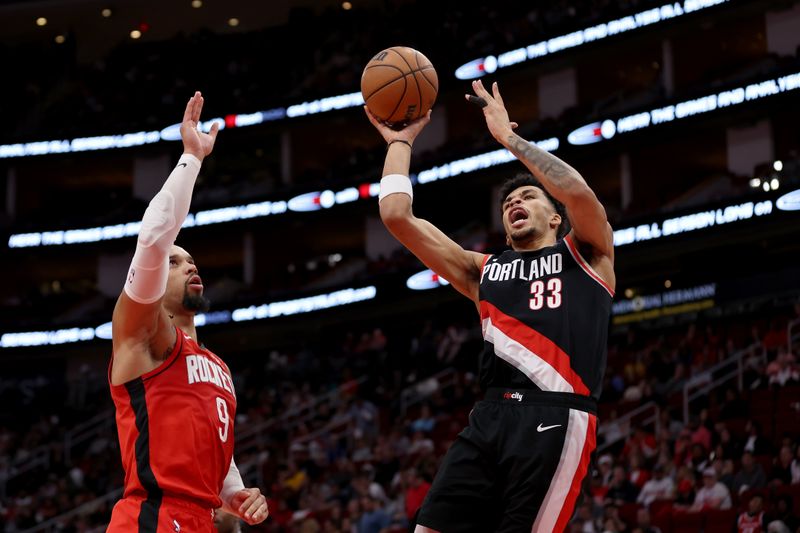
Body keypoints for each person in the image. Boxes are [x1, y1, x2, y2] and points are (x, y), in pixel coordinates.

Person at [366, 78, 615, 532]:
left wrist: (510, 140)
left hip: (557, 415)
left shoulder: (587, 255)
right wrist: (400, 143)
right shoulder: (483, 271)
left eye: (528, 197)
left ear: (555, 217)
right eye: (508, 201)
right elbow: (397, 216)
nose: (515, 201)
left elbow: (578, 192)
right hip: (491, 415)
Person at [107, 92, 268, 532]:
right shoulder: (146, 336)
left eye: (191, 260)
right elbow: (155, 239)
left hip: (200, 519)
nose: (189, 265)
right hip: (153, 516)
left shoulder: (218, 366)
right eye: (176, 263)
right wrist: (192, 158)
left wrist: (237, 495)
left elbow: (219, 459)